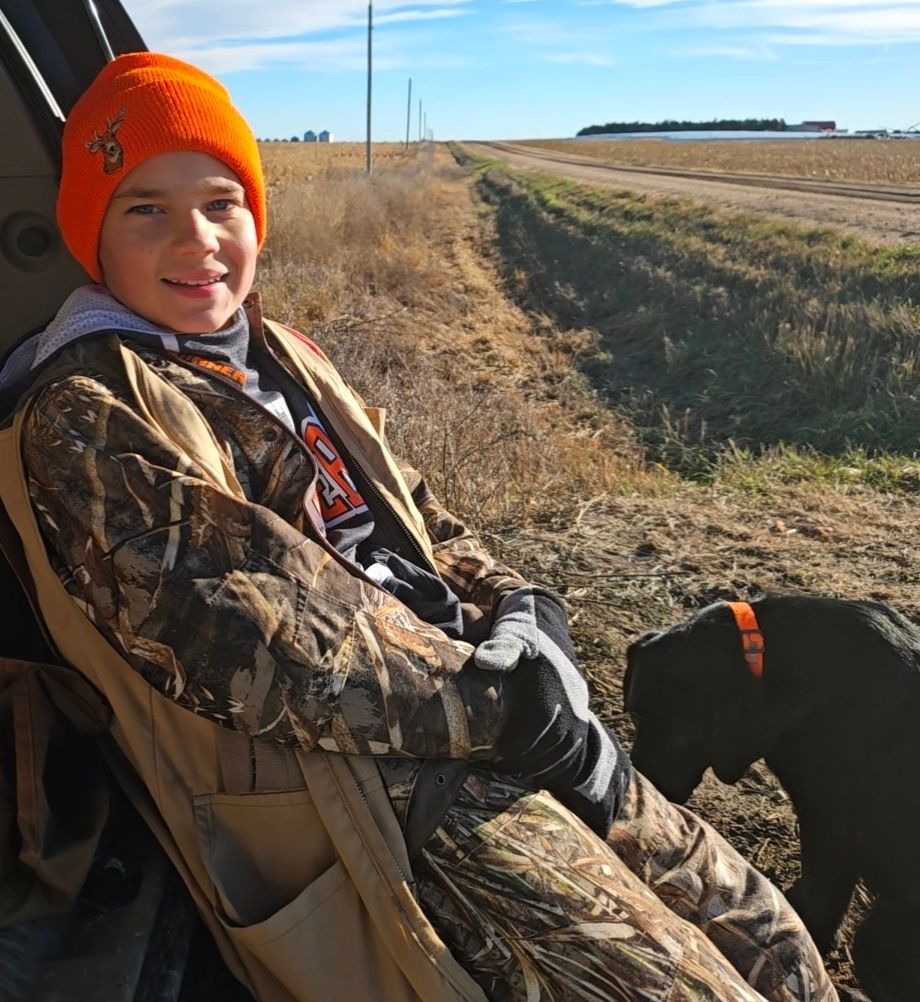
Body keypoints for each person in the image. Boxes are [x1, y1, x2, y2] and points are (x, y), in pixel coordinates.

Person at [0, 53, 837, 1002]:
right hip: (390, 787)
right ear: (92, 235)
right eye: (146, 209)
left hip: (489, 702)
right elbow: (263, 644)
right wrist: (512, 711)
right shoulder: (88, 412)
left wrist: (521, 604)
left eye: (221, 202)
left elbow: (418, 515)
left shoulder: (281, 355)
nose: (197, 240)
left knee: (781, 952)